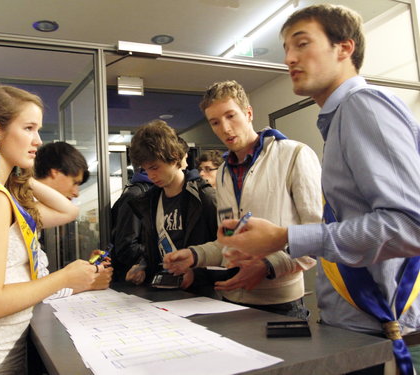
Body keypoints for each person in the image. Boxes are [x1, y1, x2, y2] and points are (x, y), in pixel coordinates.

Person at [217, 5, 420, 375]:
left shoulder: (364, 107)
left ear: (344, 48)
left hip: (376, 325)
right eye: (285, 48)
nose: (289, 58)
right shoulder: (341, 118)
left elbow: (409, 226)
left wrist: (284, 236)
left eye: (302, 43)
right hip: (353, 322)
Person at [0, 84, 103, 374]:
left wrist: (19, 173)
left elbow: (68, 210)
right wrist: (65, 277)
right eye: (28, 128)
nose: (38, 140)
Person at [163, 80, 321, 319]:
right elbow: (229, 240)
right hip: (233, 298)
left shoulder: (294, 154)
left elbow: (317, 235)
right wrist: (195, 255)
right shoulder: (225, 171)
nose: (225, 128)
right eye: (215, 122)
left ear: (248, 113)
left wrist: (267, 266)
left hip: (281, 304)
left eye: (231, 116)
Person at [125, 120, 218, 286]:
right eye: (145, 170)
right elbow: (154, 251)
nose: (150, 175)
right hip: (162, 290)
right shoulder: (149, 202)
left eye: (154, 167)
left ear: (175, 159)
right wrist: (143, 266)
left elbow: (226, 250)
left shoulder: (206, 197)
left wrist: (196, 275)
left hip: (202, 296)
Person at [34, 141, 113, 298]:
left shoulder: (35, 211)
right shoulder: (19, 209)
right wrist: (87, 284)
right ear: (55, 172)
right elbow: (30, 290)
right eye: (75, 183)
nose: (76, 193)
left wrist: (85, 272)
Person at [110, 167, 153, 281]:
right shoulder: (136, 195)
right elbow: (127, 246)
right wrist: (156, 254)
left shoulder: (162, 194)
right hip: (137, 278)